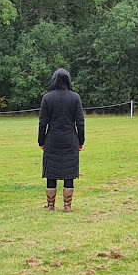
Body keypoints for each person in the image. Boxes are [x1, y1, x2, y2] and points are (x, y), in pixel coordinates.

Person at [38, 68, 85, 212]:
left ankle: (51, 206)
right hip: (70, 139)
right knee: (69, 172)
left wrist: (41, 141)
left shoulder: (47, 98)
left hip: (52, 139)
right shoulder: (75, 97)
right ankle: (67, 206)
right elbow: (80, 122)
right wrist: (81, 141)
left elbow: (42, 123)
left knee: (51, 172)